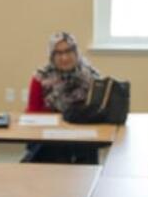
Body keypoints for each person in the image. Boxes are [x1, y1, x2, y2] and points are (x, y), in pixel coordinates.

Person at [24, 32, 100, 165]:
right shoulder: (41, 78)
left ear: (76, 52)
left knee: (87, 149)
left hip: (81, 134)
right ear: (52, 56)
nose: (64, 58)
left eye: (68, 51)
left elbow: (97, 111)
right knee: (57, 149)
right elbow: (33, 114)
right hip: (48, 136)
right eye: (58, 53)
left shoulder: (91, 77)